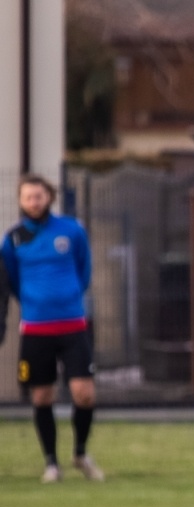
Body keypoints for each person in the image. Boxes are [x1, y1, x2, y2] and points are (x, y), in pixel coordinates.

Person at [2, 174, 102, 483]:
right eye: (28, 197)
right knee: (42, 396)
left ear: (50, 197)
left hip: (73, 325)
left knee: (84, 393)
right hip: (36, 330)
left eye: (39, 196)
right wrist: (35, 302)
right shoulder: (13, 239)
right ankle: (51, 463)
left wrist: (68, 296)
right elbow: (10, 280)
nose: (34, 202)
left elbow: (84, 269)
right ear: (21, 201)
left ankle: (80, 453)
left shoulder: (71, 230)